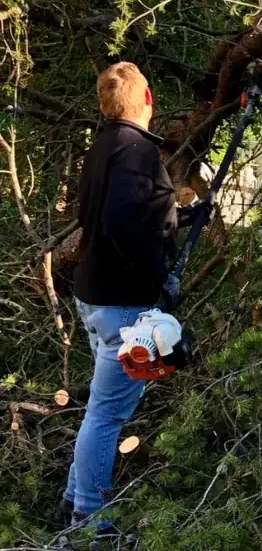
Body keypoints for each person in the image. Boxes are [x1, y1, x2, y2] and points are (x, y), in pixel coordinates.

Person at [61, 62, 196, 535]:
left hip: (95, 295)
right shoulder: (137, 149)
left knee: (102, 406)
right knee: (109, 413)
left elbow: (114, 211)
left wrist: (176, 212)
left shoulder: (102, 147)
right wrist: (159, 274)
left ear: (105, 105)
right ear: (149, 99)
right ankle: (91, 522)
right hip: (122, 303)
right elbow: (121, 220)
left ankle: (74, 498)